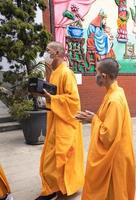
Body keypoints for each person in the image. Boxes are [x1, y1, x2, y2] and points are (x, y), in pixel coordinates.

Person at [76, 58, 135, 200]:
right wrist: (95, 118)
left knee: (113, 194)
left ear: (104, 76)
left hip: (115, 157)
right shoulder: (115, 91)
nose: (94, 75)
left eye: (96, 72)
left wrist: (93, 120)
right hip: (121, 151)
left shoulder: (114, 99)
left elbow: (108, 136)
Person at [36, 42, 84, 200]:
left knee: (62, 157)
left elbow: (74, 101)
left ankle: (56, 189)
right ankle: (53, 188)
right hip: (55, 120)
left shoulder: (66, 73)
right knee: (52, 157)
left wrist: (53, 99)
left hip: (65, 123)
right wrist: (47, 99)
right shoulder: (55, 72)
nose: (45, 53)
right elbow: (55, 96)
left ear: (56, 53)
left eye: (47, 50)